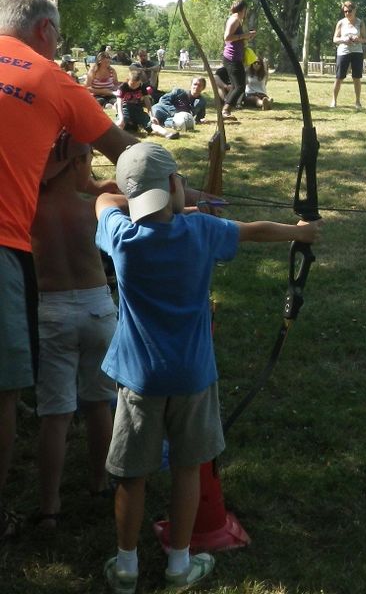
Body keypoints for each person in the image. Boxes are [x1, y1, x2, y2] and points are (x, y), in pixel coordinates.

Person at [95, 142, 320, 592]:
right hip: (193, 376)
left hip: (140, 378)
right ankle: (179, 566)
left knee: (131, 476)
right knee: (186, 469)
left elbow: (103, 201)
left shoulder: (120, 236)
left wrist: (149, 196)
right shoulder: (201, 231)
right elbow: (254, 231)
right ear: (175, 183)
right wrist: (301, 233)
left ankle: (125, 568)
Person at [0, 0, 139, 540]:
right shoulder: (54, 80)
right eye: (57, 38)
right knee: (6, 391)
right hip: (7, 250)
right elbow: (125, 152)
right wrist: (176, 188)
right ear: (44, 32)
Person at [31, 131, 119, 528]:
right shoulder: (92, 209)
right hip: (98, 308)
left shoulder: (28, 207)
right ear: (79, 164)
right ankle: (99, 483)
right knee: (98, 403)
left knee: (56, 414)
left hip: (52, 313)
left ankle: (49, 506)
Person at [118, 69, 179, 140]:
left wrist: (151, 116)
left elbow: (147, 102)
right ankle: (115, 136)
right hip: (126, 109)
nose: (134, 87)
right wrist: (121, 117)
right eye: (132, 84)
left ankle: (167, 134)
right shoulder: (123, 87)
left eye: (137, 84)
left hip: (138, 110)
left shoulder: (142, 86)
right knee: (120, 124)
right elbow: (119, 104)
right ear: (127, 80)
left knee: (152, 123)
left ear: (140, 82)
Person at [221, 0, 256, 121]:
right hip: (232, 58)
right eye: (246, 10)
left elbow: (235, 38)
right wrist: (245, 35)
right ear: (243, 9)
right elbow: (227, 37)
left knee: (237, 86)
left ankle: (226, 107)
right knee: (240, 86)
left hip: (235, 57)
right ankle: (225, 111)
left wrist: (246, 37)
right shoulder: (235, 19)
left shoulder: (236, 20)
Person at [330, 0, 366, 111]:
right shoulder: (341, 23)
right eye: (345, 11)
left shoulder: (360, 23)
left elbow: (365, 39)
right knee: (339, 77)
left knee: (356, 78)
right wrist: (344, 40)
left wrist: (358, 39)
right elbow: (335, 39)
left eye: (349, 11)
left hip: (357, 52)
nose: (347, 13)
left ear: (354, 10)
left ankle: (357, 102)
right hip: (343, 52)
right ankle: (334, 100)